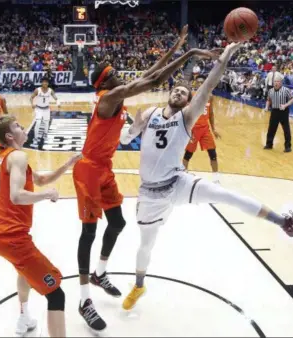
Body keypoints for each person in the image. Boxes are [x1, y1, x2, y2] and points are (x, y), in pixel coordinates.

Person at [119, 42, 293, 310]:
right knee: (146, 244)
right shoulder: (150, 113)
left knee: (227, 195)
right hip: (150, 193)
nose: (179, 92)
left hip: (177, 183)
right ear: (168, 93)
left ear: (189, 102)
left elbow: (209, 85)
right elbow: (126, 136)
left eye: (184, 92)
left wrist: (225, 56)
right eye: (175, 89)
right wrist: (127, 132)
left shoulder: (187, 118)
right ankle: (139, 285)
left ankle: (284, 222)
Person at [72, 25, 220, 331]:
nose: (119, 76)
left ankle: (100, 273)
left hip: (104, 167)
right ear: (105, 80)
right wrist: (190, 53)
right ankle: (84, 299)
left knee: (117, 223)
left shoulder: (112, 93)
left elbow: (150, 73)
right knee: (89, 231)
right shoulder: (108, 98)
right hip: (88, 169)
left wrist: (175, 46)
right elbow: (153, 80)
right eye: (113, 73)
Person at [0, 115, 81, 337]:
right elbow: (17, 196)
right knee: (56, 293)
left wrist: (67, 164)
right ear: (10, 136)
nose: (23, 126)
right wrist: (47, 195)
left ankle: (23, 316)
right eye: (18, 125)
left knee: (24, 272)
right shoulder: (18, 155)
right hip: (12, 237)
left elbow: (41, 180)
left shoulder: (3, 157)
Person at [183, 76, 221, 183]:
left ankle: (216, 179)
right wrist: (187, 129)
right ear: (195, 83)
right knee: (188, 154)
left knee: (213, 154)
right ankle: (183, 176)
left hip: (205, 130)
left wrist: (214, 129)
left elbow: (211, 114)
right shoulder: (191, 96)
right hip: (193, 130)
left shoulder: (210, 96)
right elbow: (186, 113)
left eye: (202, 82)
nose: (200, 84)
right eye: (198, 82)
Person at [263, 78, 293, 152]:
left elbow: (292, 99)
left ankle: (288, 147)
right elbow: (268, 100)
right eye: (275, 81)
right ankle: (269, 144)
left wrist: (285, 105)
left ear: (281, 83)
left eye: (278, 81)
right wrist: (266, 107)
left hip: (283, 111)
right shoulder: (270, 91)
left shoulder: (286, 90)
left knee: (286, 129)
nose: (276, 83)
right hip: (274, 111)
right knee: (271, 128)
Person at [30, 78, 60, 144]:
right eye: (43, 82)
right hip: (38, 109)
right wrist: (32, 104)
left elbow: (55, 97)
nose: (45, 83)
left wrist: (58, 103)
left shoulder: (50, 90)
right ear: (41, 83)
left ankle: (45, 135)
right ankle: (35, 138)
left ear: (48, 83)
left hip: (46, 109)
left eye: (46, 82)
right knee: (38, 123)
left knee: (46, 123)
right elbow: (31, 97)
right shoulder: (37, 90)